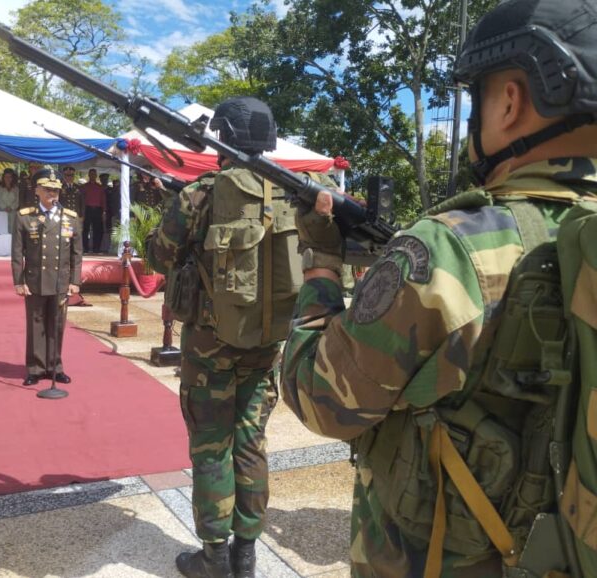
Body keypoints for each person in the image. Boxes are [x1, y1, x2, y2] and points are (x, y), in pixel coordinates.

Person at [280, 0, 597, 576]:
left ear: (511, 100)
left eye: (477, 95)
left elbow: (318, 400)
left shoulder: (451, 247)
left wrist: (322, 264)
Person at [147, 97, 300, 578]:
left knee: (213, 446)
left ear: (224, 139)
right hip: (266, 344)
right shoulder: (289, 191)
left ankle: (215, 558)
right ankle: (246, 556)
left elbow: (158, 255)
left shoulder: (201, 194)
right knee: (251, 443)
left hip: (210, 348)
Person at [11, 168, 82, 386]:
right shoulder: (25, 217)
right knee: (36, 324)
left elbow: (77, 253)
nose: (53, 194)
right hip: (35, 280)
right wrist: (18, 281)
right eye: (48, 190)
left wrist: (75, 281)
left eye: (56, 190)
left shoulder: (69, 218)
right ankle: (35, 368)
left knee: (57, 325)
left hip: (60, 281)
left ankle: (54, 367)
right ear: (38, 190)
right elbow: (16, 252)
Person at [81, 168, 106, 253]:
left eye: (94, 174)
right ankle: (85, 248)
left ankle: (96, 248)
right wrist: (82, 212)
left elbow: (103, 200)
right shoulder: (84, 186)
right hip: (87, 209)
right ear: (89, 175)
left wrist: (104, 211)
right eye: (91, 174)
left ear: (96, 176)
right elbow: (82, 199)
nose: (92, 175)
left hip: (97, 210)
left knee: (98, 230)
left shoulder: (100, 187)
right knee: (85, 230)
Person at [0, 168, 19, 232]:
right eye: (6, 177)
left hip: (13, 213)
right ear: (3, 177)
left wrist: (11, 207)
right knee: (2, 230)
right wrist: (5, 208)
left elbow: (17, 200)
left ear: (12, 178)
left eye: (10, 177)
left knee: (12, 230)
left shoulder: (16, 188)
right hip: (2, 211)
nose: (8, 178)